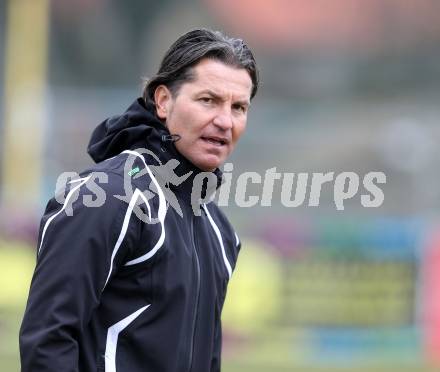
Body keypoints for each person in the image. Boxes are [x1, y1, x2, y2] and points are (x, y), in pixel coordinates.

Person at [19, 28, 259, 372]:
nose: (224, 121)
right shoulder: (106, 198)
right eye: (208, 100)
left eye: (238, 107)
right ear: (163, 101)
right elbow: (47, 340)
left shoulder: (220, 231)